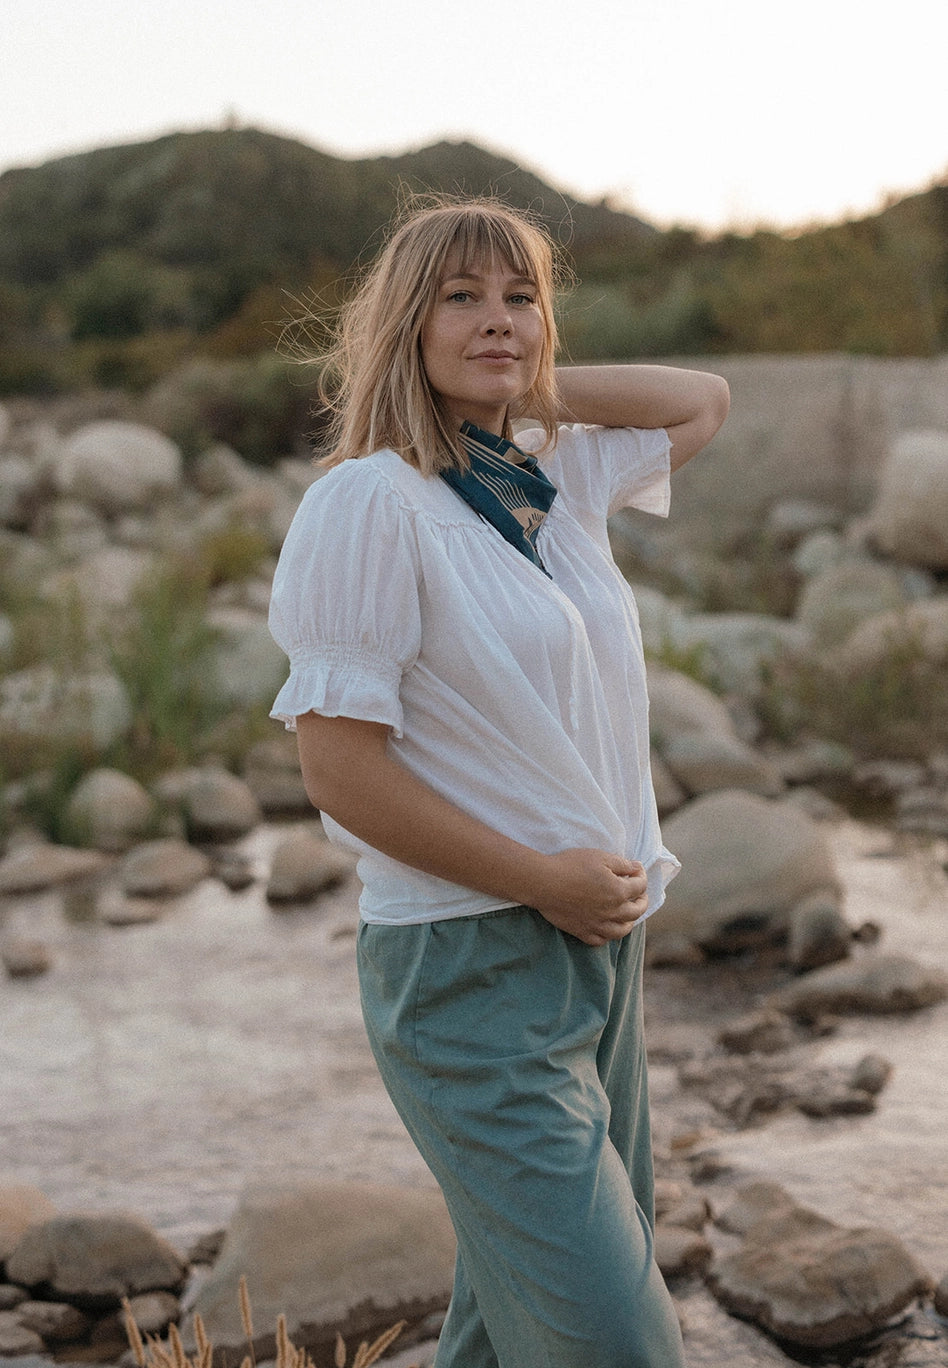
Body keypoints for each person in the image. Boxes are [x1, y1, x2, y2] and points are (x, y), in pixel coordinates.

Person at [268, 197, 729, 1368]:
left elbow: (701, 401)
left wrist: (530, 389)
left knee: (505, 1330)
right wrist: (545, 882)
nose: (498, 320)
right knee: (615, 1342)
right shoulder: (370, 501)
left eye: (521, 298)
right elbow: (339, 772)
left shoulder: (552, 483)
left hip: (600, 951)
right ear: (402, 325)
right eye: (461, 298)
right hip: (469, 963)